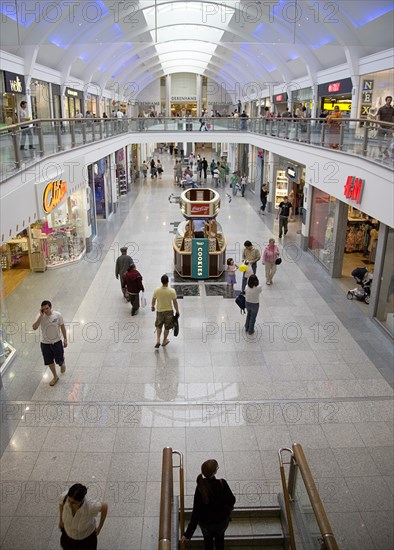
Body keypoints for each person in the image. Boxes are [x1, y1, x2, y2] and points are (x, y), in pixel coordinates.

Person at [181, 459, 235, 550]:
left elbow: (196, 512)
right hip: (221, 521)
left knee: (207, 541)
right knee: (220, 539)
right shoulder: (222, 483)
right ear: (215, 472)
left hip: (206, 524)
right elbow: (232, 500)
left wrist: (188, 534)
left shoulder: (200, 488)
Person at [59, 483, 108, 550]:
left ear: (81, 501)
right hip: (68, 536)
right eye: (69, 500)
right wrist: (61, 519)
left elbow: (104, 507)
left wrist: (99, 527)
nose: (70, 504)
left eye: (74, 503)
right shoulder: (65, 497)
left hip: (85, 540)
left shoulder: (90, 506)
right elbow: (61, 503)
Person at [32, 300, 67, 386]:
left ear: (50, 307)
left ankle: (62, 363)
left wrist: (65, 339)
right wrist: (40, 315)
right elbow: (34, 327)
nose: (46, 310)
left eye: (47, 308)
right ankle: (55, 376)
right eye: (43, 309)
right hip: (45, 344)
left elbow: (62, 327)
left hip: (57, 342)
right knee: (49, 361)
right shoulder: (40, 316)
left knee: (59, 360)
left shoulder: (57, 315)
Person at [151, 274, 180, 348]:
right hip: (169, 312)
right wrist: (177, 311)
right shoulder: (172, 291)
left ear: (161, 282)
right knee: (167, 327)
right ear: (168, 281)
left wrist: (153, 306)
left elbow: (154, 300)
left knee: (158, 325)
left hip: (160, 311)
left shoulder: (157, 290)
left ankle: (158, 340)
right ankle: (164, 341)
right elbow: (175, 302)